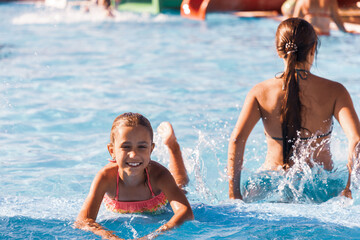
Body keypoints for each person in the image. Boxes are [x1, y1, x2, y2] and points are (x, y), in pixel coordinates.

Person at [227, 18, 360, 201]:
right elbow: (357, 139)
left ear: (278, 50)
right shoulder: (335, 91)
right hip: (319, 187)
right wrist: (348, 188)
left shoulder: (260, 92)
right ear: (313, 50)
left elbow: (236, 140)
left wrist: (234, 194)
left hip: (269, 186)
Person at [75, 112, 193, 239]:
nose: (134, 155)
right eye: (126, 147)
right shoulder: (105, 178)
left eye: (142, 147)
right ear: (112, 151)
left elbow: (186, 213)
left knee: (181, 185)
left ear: (151, 150)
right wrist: (110, 237)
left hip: (162, 202)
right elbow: (83, 220)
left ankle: (172, 146)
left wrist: (153, 236)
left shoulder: (159, 175)